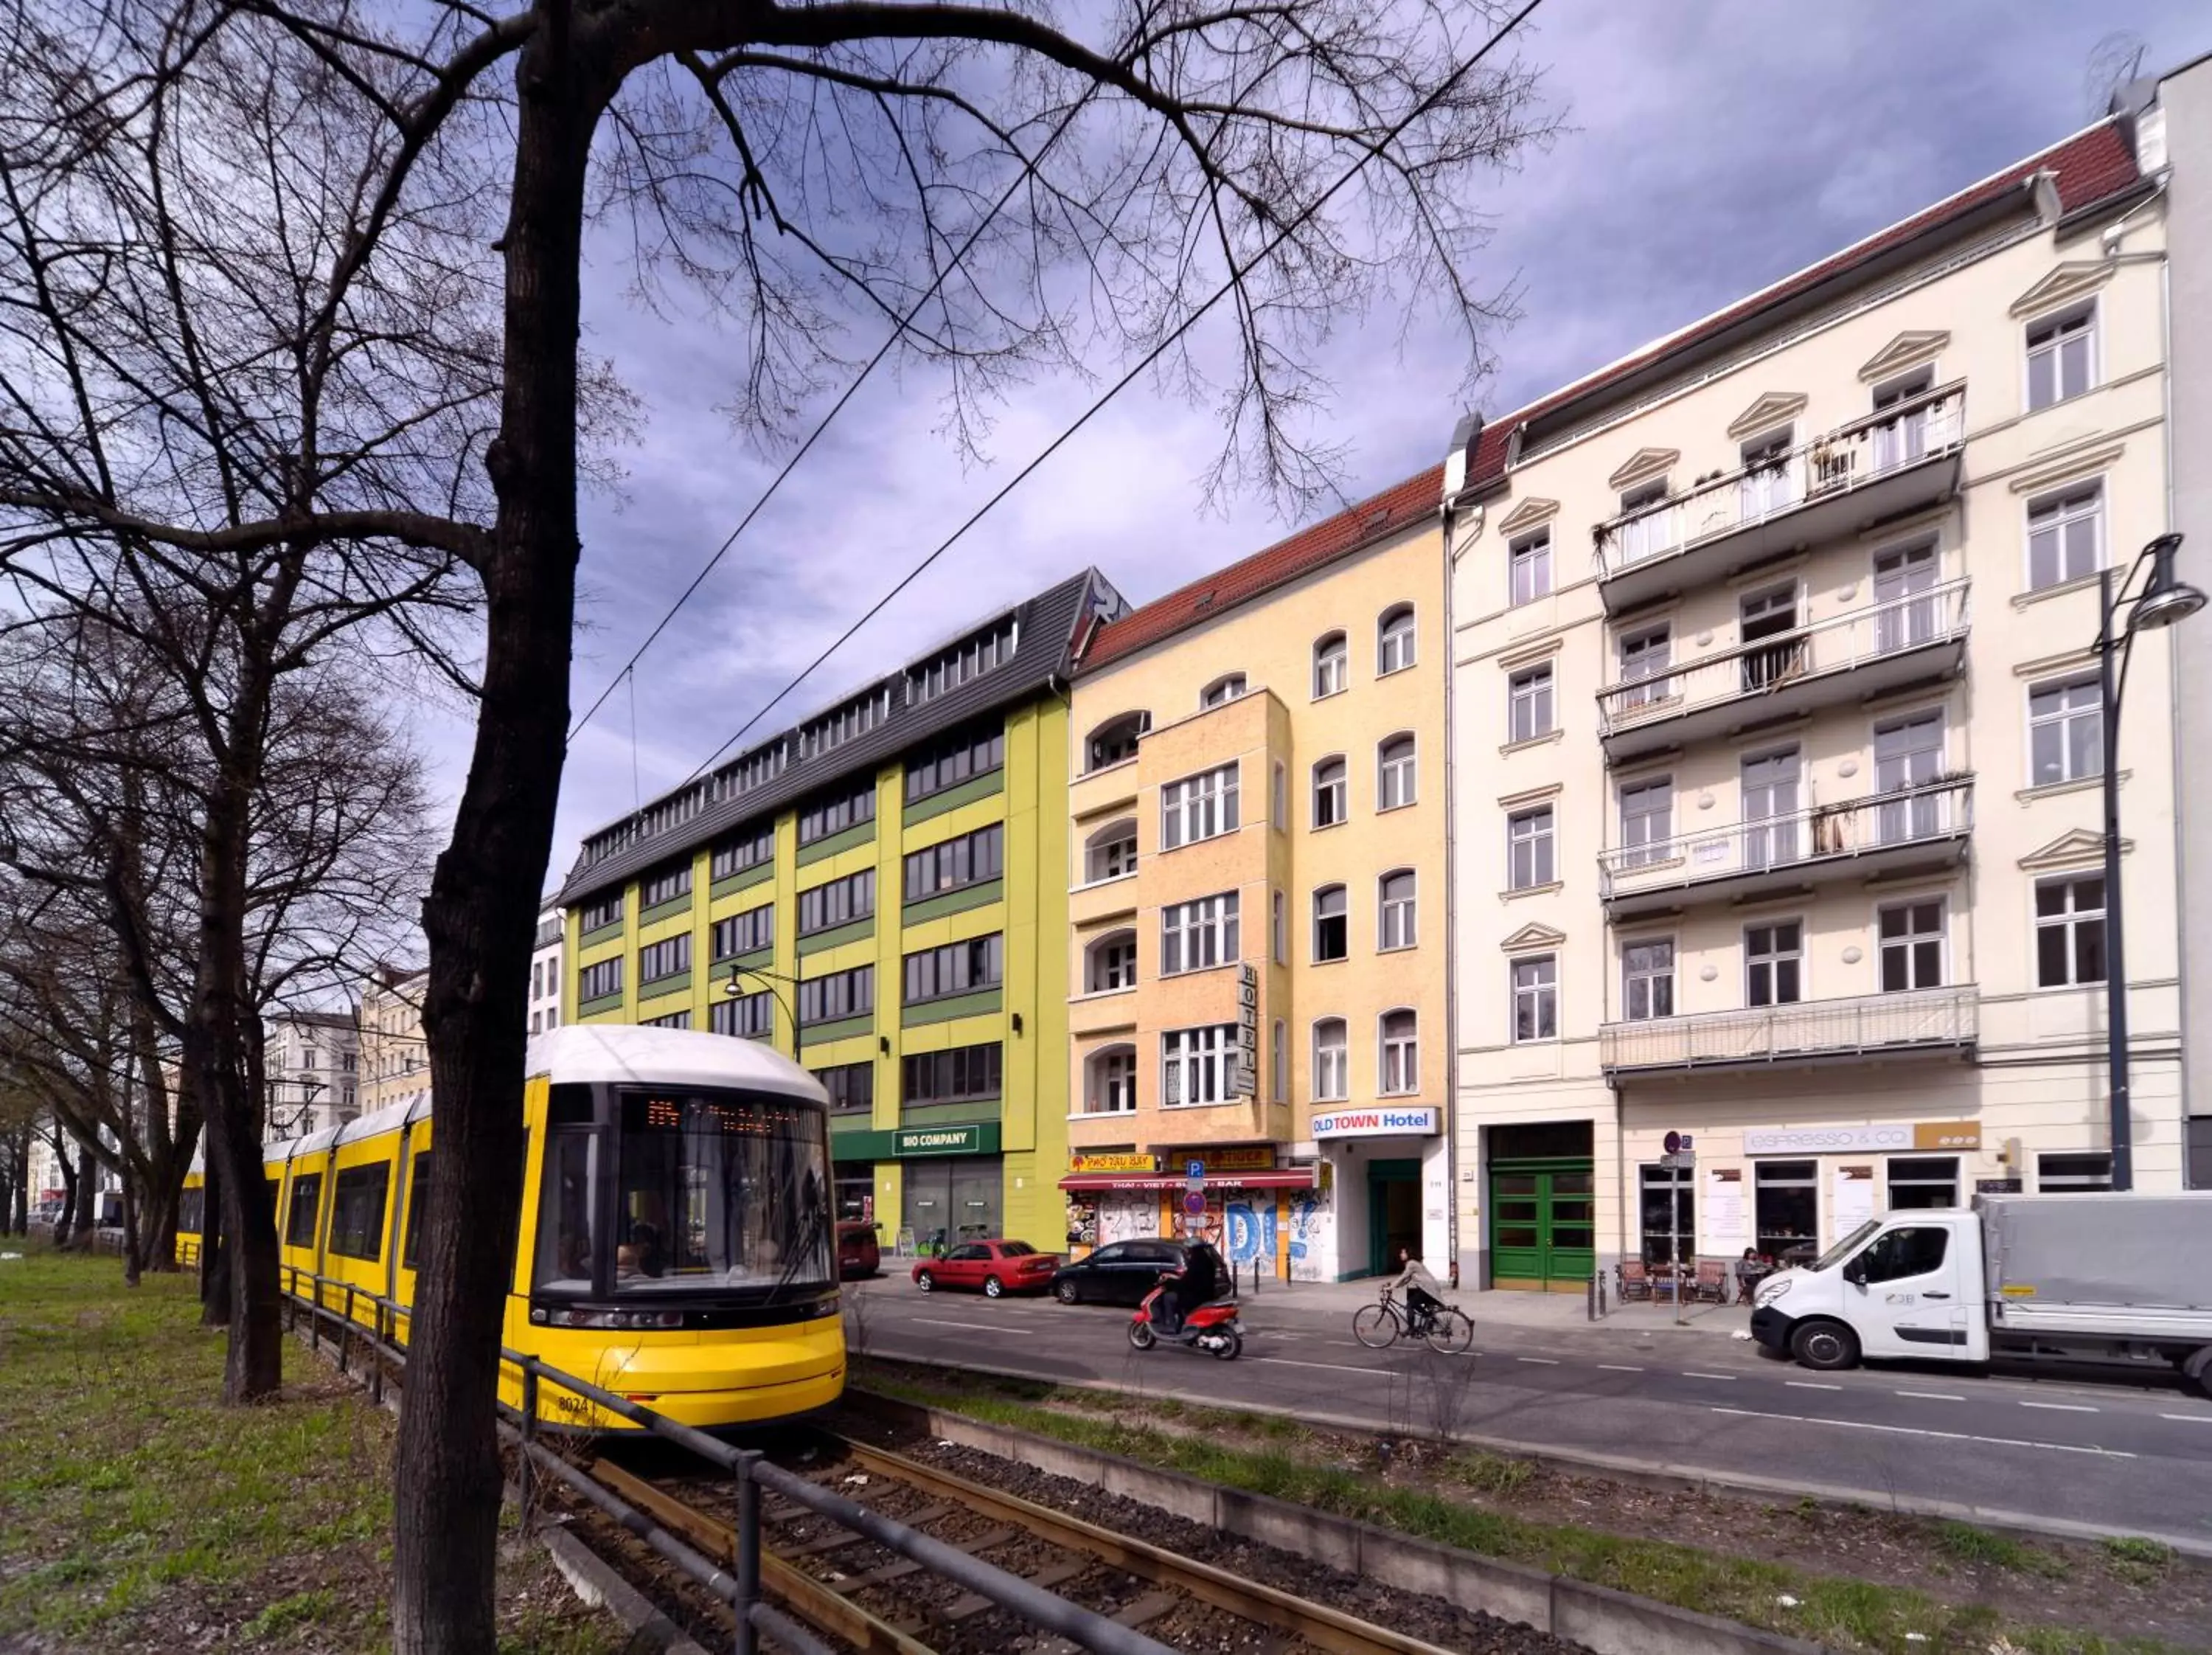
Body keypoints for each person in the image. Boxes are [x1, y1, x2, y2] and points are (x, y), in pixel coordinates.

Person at [1389, 1247, 1446, 1334]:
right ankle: (1430, 1319)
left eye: (1403, 1253)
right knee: (1414, 1303)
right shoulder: (1415, 1263)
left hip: (1428, 1290)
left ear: (1408, 1254)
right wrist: (1393, 1286)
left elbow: (1403, 1277)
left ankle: (1411, 1329)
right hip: (1431, 1289)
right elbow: (1406, 1280)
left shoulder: (1411, 1263)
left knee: (1410, 1305)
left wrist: (1390, 1288)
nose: (1401, 1254)